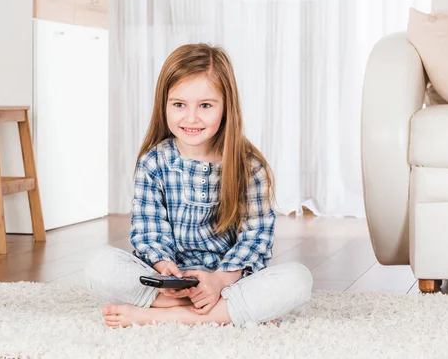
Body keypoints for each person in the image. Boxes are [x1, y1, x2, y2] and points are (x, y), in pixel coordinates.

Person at [85, 43, 313, 328]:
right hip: (170, 282)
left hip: (227, 281)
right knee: (99, 265)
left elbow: (255, 240)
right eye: (179, 104)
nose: (191, 118)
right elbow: (148, 231)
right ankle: (213, 312)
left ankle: (161, 316)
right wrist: (164, 270)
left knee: (298, 280)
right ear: (164, 104)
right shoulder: (154, 162)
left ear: (226, 106)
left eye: (205, 105)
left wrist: (218, 280)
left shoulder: (249, 167)